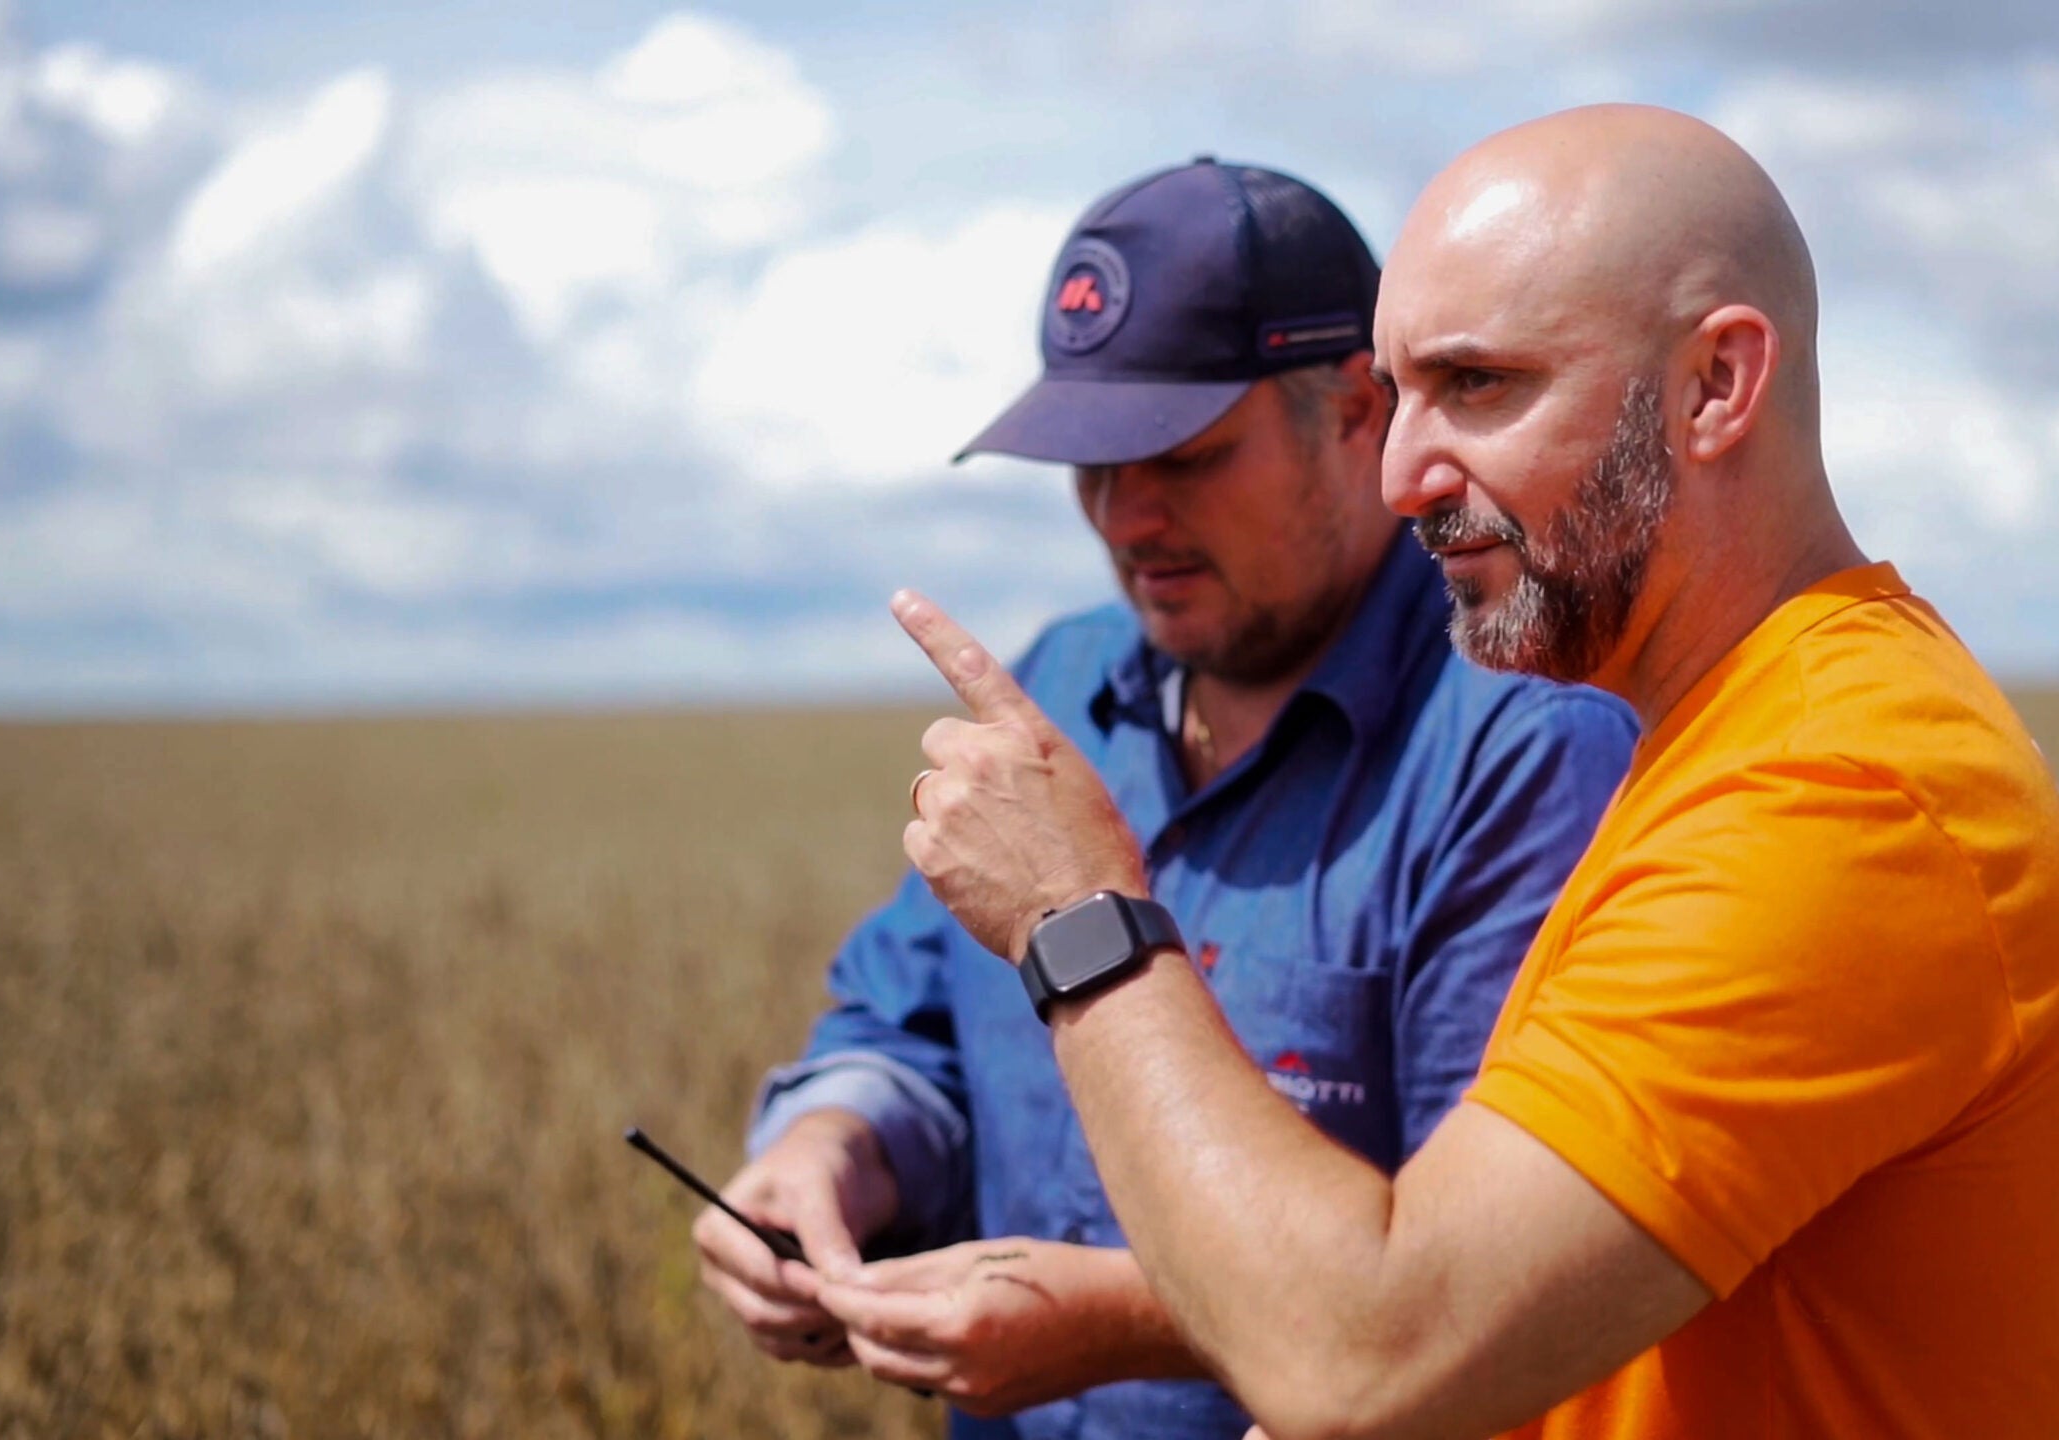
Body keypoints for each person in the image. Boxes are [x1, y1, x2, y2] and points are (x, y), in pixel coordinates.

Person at [871, 106, 2059, 1440]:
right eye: (1398, 392)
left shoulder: (1840, 801)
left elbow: (1368, 1358)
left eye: (1476, 387)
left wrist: (1079, 921)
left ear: (1715, 385)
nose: (1408, 472)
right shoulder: (1726, 740)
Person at [694, 156, 1640, 1439]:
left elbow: (1477, 1294)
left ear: (1360, 415)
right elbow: (908, 1021)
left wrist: (1120, 1320)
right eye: (1089, 466)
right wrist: (830, 1152)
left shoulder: (1523, 748)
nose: (1126, 517)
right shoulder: (1058, 686)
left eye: (1185, 459)